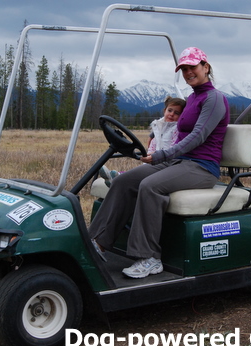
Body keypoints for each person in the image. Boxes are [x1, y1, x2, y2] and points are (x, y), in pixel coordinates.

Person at [90, 47, 230, 278]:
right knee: (124, 182)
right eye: (184, 69)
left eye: (192, 67)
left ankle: (150, 258)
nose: (188, 72)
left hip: (202, 167)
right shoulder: (193, 98)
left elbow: (199, 136)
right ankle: (98, 243)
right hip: (180, 161)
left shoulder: (214, 99)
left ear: (206, 67)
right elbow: (178, 133)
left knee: (150, 186)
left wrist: (162, 155)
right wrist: (155, 145)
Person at [99, 96, 186, 186]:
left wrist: (155, 155)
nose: (172, 114)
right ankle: (118, 177)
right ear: (164, 111)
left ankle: (118, 177)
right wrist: (149, 153)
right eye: (170, 110)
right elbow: (153, 143)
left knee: (142, 176)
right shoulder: (158, 128)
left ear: (182, 115)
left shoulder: (177, 129)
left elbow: (173, 148)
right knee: (142, 170)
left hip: (165, 163)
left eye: (176, 113)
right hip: (156, 160)